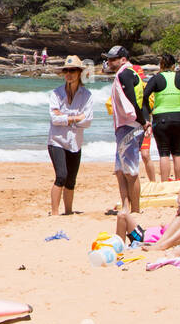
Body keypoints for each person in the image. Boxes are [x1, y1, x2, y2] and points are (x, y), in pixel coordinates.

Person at [142, 54, 180, 181]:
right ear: (174, 66)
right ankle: (179, 180)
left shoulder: (156, 78)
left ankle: (164, 182)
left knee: (164, 153)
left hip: (161, 119)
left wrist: (150, 111)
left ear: (161, 65)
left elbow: (145, 95)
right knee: (177, 152)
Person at [47, 56, 93, 215]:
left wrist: (65, 117)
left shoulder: (87, 95)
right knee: (61, 176)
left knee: (71, 181)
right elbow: (54, 118)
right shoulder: (56, 93)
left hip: (75, 142)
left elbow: (87, 121)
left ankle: (68, 212)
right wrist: (75, 117)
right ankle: (54, 213)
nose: (68, 73)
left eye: (72, 70)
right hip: (57, 141)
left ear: (80, 72)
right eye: (66, 70)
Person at [104, 45, 146, 216]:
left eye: (112, 59)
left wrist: (144, 122)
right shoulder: (124, 74)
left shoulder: (125, 74)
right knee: (120, 171)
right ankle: (126, 207)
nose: (109, 62)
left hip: (130, 126)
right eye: (108, 59)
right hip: (125, 126)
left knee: (130, 172)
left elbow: (132, 100)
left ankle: (135, 210)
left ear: (123, 59)